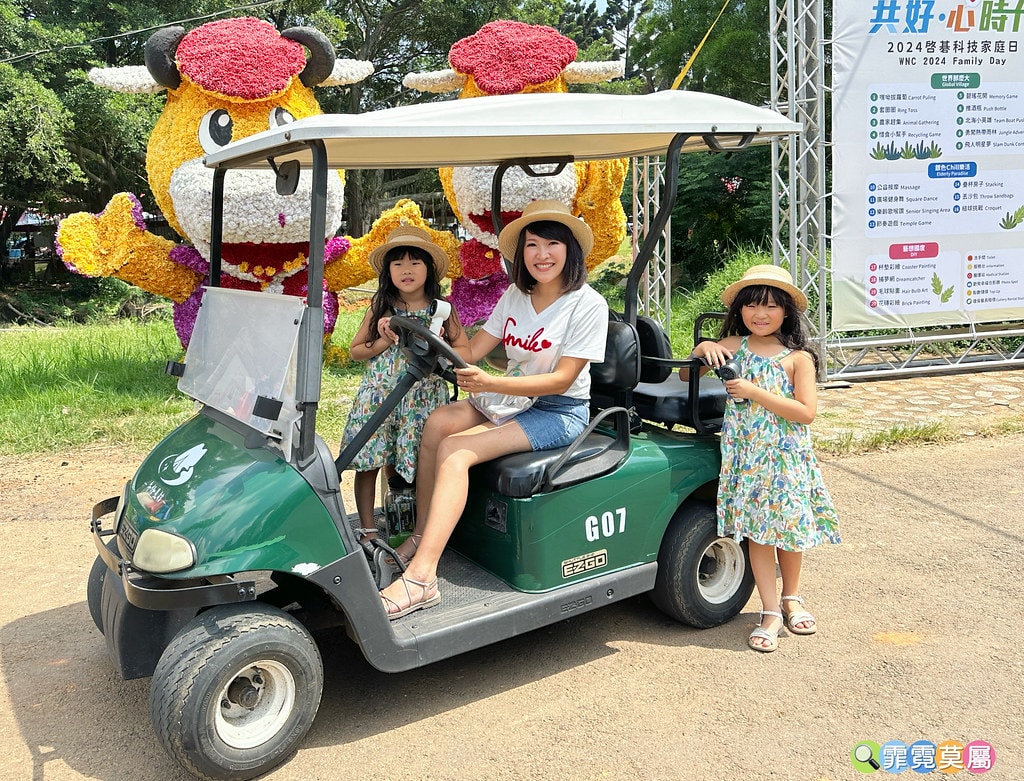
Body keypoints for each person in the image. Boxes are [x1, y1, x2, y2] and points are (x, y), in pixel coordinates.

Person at [378, 200, 609, 619]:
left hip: (557, 410)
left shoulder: (587, 304)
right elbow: (472, 351)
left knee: (456, 450)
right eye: (532, 245)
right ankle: (420, 536)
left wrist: (491, 382)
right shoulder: (516, 295)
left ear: (570, 250)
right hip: (512, 398)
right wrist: (427, 335)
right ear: (521, 253)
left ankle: (422, 578)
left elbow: (561, 379)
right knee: (438, 423)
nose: (542, 255)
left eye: (552, 244)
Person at [687, 264, 840, 652]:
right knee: (758, 535)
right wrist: (704, 348)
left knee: (789, 534)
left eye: (771, 306)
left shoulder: (797, 358)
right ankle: (769, 610)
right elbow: (697, 363)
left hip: (786, 460)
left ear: (786, 312)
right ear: (739, 310)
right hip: (746, 460)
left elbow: (806, 412)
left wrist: (754, 392)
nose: (761, 314)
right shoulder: (735, 347)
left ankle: (792, 598)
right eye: (752, 305)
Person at [339, 225, 468, 548]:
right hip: (381, 395)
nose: (406, 270)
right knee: (369, 461)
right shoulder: (381, 306)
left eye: (415, 262)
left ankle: (418, 527)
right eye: (397, 264)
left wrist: (440, 351)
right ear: (388, 272)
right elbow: (357, 350)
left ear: (429, 269)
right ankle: (368, 529)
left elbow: (463, 352)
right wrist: (383, 338)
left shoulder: (442, 310)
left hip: (423, 400)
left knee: (415, 465)